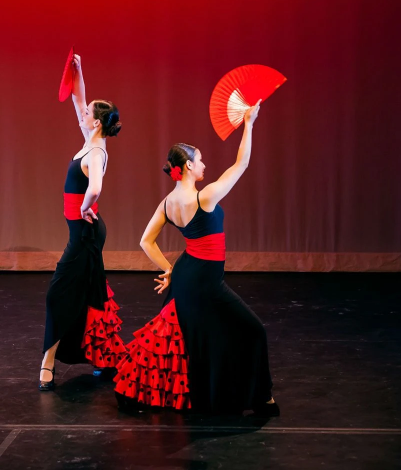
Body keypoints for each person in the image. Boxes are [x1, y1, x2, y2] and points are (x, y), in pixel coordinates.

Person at [114, 101, 278, 416]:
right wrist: (249, 123)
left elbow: (145, 241)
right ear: (188, 166)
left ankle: (230, 393)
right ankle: (260, 397)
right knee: (252, 330)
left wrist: (169, 269)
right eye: (200, 159)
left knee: (206, 335)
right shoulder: (205, 197)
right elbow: (241, 165)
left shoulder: (168, 202)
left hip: (188, 276)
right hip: (204, 281)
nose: (204, 164)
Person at [39, 53, 128, 391]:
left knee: (58, 294)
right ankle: (107, 359)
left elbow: (96, 186)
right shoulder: (91, 137)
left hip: (85, 235)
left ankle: (47, 363)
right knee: (91, 294)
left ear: (97, 122)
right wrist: (78, 70)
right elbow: (78, 98)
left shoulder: (96, 151)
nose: (84, 110)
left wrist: (85, 207)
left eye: (89, 112)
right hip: (86, 231)